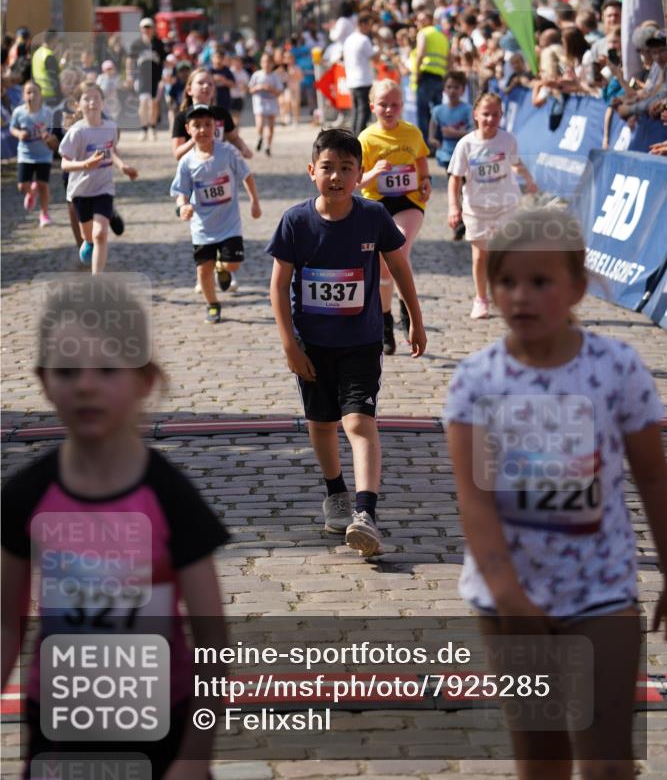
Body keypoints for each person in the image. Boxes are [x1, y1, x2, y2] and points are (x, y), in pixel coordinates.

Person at [444, 206, 667, 780]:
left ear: (577, 286)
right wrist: (509, 595)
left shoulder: (618, 368)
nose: (520, 296)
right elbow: (475, 501)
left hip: (603, 592)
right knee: (542, 759)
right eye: (506, 281)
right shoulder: (475, 381)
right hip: (508, 600)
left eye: (540, 281)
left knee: (607, 758)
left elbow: (654, 476)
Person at [0, 274, 228, 780]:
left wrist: (195, 754)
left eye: (107, 368)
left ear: (144, 380)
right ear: (43, 380)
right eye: (66, 370)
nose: (85, 384)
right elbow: (6, 625)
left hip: (162, 728)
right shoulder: (25, 496)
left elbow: (213, 642)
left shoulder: (169, 498)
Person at [266, 128, 426, 557]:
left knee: (358, 423)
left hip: (361, 342)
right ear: (310, 171)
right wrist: (289, 345)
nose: (336, 177)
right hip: (312, 346)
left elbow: (401, 267)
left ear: (359, 175)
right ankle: (335, 491)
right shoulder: (296, 221)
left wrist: (415, 318)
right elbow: (279, 286)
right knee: (321, 423)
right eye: (327, 168)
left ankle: (365, 513)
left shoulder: (373, 216)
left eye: (346, 169)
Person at [448, 93, 537, 320]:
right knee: (480, 256)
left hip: (506, 204)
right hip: (476, 208)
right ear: (476, 115)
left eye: (496, 114)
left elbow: (516, 163)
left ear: (501, 116)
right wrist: (452, 207)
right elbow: (455, 179)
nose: (490, 119)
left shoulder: (507, 140)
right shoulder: (466, 144)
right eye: (486, 114)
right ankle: (481, 299)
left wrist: (529, 180)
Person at [358, 80, 431, 355]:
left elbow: (422, 160)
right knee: (384, 271)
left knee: (398, 248)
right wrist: (374, 172)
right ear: (372, 106)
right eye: (383, 104)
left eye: (395, 104)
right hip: (376, 203)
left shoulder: (412, 133)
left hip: (409, 200)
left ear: (402, 105)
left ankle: (409, 319)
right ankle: (385, 323)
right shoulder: (365, 138)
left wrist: (426, 181)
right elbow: (356, 179)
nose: (389, 109)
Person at [171, 106, 261, 324]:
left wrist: (254, 202)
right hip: (202, 227)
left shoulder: (227, 152)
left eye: (207, 125)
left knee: (233, 265)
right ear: (188, 129)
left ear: (215, 127)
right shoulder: (187, 162)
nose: (202, 130)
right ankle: (212, 304)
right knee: (203, 271)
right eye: (197, 125)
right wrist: (182, 207)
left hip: (229, 223)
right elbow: (180, 191)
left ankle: (223, 268)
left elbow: (246, 176)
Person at [60, 82, 138, 272]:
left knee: (100, 234)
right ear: (78, 104)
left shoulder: (110, 127)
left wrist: (123, 167)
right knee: (89, 238)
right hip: (80, 191)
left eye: (97, 98)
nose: (92, 102)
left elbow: (111, 151)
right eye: (87, 98)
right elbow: (64, 164)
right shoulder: (77, 132)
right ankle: (89, 240)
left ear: (103, 103)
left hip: (103, 188)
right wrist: (85, 165)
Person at [9, 80, 59, 227]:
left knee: (43, 185)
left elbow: (54, 133)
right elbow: (12, 128)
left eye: (35, 92)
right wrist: (19, 134)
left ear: (41, 95)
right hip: (25, 154)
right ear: (24, 95)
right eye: (28, 92)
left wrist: (48, 137)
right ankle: (31, 193)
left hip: (44, 155)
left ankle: (44, 214)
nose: (32, 95)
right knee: (21, 186)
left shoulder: (47, 113)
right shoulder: (19, 112)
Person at [415, 9, 450, 145]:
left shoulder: (424, 33)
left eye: (420, 19)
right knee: (436, 111)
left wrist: (417, 73)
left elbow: (420, 53)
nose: (417, 22)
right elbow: (450, 59)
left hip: (426, 76)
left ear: (429, 20)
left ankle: (425, 144)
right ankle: (439, 141)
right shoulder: (443, 36)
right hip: (439, 77)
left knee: (423, 111)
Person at [127, 16, 166, 140]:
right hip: (142, 78)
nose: (147, 29)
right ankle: (144, 128)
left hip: (156, 78)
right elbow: (130, 60)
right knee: (143, 103)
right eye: (145, 27)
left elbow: (164, 61)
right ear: (141, 29)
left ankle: (152, 128)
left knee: (154, 103)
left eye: (149, 27)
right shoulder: (136, 44)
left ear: (153, 28)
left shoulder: (158, 43)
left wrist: (165, 77)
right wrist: (129, 75)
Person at [429, 69, 474, 171]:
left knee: (463, 181)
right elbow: (433, 125)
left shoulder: (468, 109)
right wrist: (432, 139)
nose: (452, 90)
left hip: (464, 153)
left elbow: (473, 132)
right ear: (444, 89)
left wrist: (456, 133)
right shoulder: (438, 110)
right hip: (446, 153)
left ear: (462, 90)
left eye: (456, 87)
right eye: (449, 87)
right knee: (451, 178)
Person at [343, 11, 375, 136]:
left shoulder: (349, 39)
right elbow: (373, 57)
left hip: (351, 80)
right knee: (364, 112)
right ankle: (358, 139)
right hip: (363, 80)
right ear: (362, 24)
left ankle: (353, 138)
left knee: (356, 112)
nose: (370, 28)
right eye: (369, 25)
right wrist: (381, 48)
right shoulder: (364, 39)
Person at [248, 52, 283, 156]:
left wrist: (271, 89)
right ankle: (259, 137)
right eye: (264, 62)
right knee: (260, 124)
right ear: (261, 63)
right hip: (259, 102)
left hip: (271, 103)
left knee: (271, 127)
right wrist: (258, 87)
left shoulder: (275, 76)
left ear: (272, 63)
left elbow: (279, 91)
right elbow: (250, 89)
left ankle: (268, 145)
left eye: (268, 62)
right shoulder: (256, 75)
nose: (266, 64)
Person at [30, 29, 62, 107]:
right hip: (50, 95)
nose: (57, 44)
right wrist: (60, 96)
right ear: (53, 40)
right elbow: (54, 77)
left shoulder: (36, 53)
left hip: (38, 94)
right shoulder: (49, 55)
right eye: (57, 41)